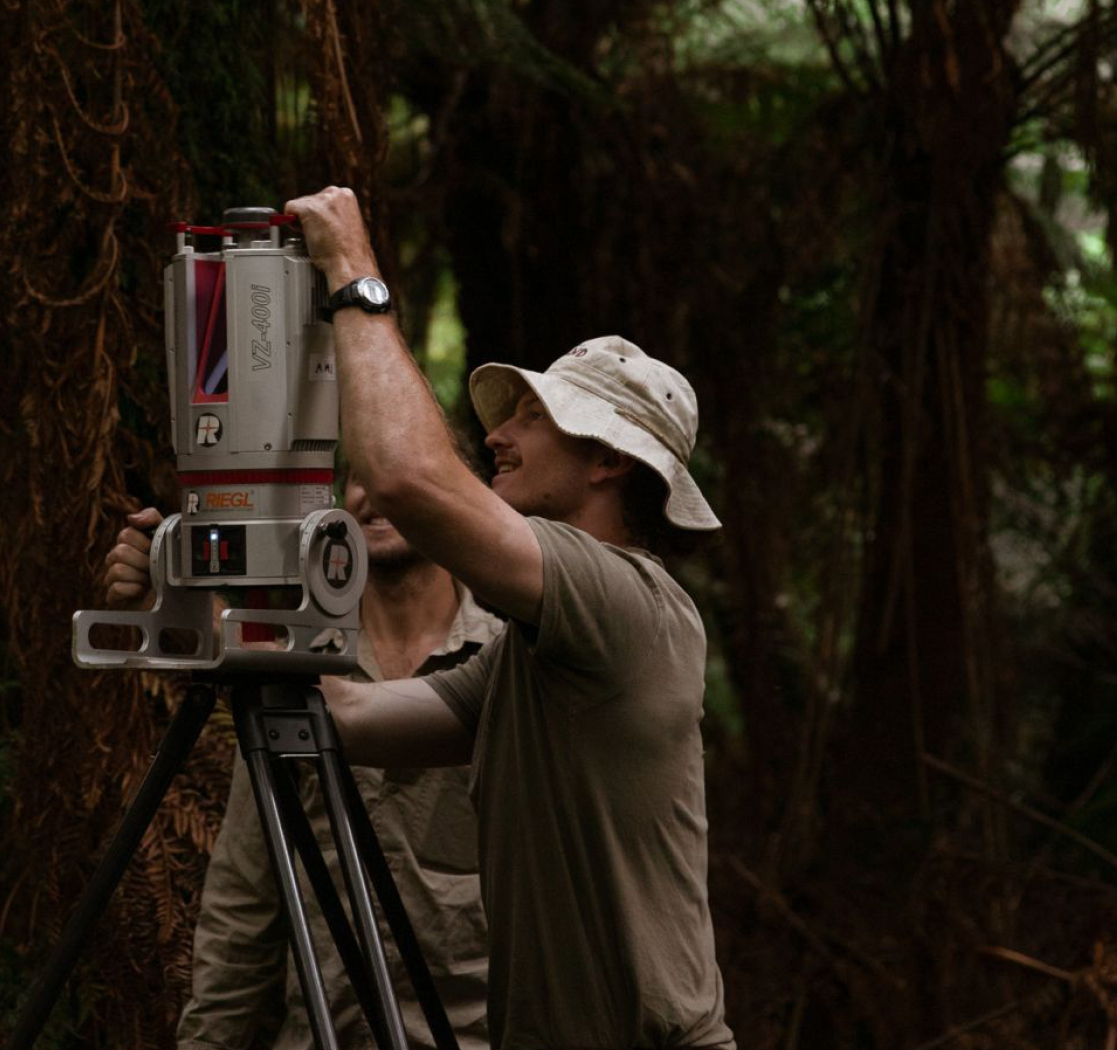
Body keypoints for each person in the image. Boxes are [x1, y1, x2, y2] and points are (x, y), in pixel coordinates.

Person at [284, 186, 737, 1049]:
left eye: (534, 417)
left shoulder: (626, 604)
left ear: (607, 459)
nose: (498, 435)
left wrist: (354, 272)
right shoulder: (539, 656)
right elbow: (342, 716)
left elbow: (410, 480)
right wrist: (200, 603)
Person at [101, 473, 503, 1050]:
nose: (375, 492)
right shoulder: (294, 669)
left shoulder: (512, 670)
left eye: (395, 469)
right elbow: (245, 900)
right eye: (359, 474)